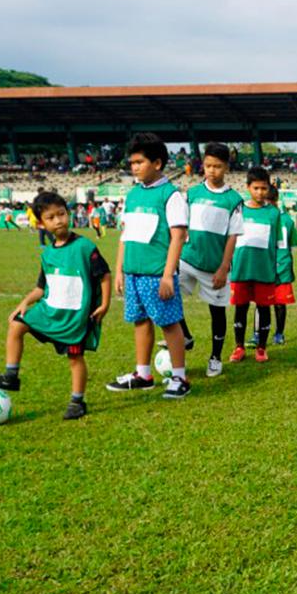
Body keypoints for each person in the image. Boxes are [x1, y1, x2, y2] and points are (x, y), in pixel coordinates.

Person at [0, 191, 111, 420]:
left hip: (75, 317)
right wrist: (25, 303)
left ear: (68, 214)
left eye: (61, 214)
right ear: (41, 223)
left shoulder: (85, 247)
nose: (58, 220)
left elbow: (104, 275)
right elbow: (42, 287)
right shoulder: (48, 253)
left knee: (75, 358)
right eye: (51, 217)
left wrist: (106, 304)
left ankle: (77, 401)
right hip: (50, 310)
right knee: (16, 325)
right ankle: (11, 376)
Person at [105, 133, 192, 399]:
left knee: (169, 323)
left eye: (139, 162)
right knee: (140, 321)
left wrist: (168, 275)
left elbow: (178, 236)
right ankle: (143, 374)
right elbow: (125, 235)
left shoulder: (171, 195)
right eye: (131, 162)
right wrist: (119, 270)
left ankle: (180, 378)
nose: (134, 167)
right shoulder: (132, 195)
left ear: (157, 163)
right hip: (132, 272)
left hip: (157, 274)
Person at [172, 142, 244, 377]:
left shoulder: (233, 200)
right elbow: (180, 228)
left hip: (215, 268)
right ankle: (185, 336)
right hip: (188, 259)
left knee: (217, 312)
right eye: (208, 165)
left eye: (218, 166)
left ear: (226, 168)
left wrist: (224, 267)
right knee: (168, 296)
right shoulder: (191, 194)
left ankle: (215, 356)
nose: (212, 170)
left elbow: (233, 236)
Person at [229, 167, 281, 362]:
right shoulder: (238, 210)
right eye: (256, 188)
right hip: (241, 270)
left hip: (264, 271)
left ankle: (261, 348)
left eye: (264, 188)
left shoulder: (273, 213)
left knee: (264, 309)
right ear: (248, 187)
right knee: (240, 309)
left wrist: (276, 269)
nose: (260, 192)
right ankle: (239, 347)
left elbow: (275, 244)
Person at [272, 201, 297, 345]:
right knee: (263, 303)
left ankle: (278, 333)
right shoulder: (287, 219)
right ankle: (259, 334)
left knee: (278, 303)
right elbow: (294, 247)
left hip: (278, 267)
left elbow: (294, 245)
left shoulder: (286, 220)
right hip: (275, 266)